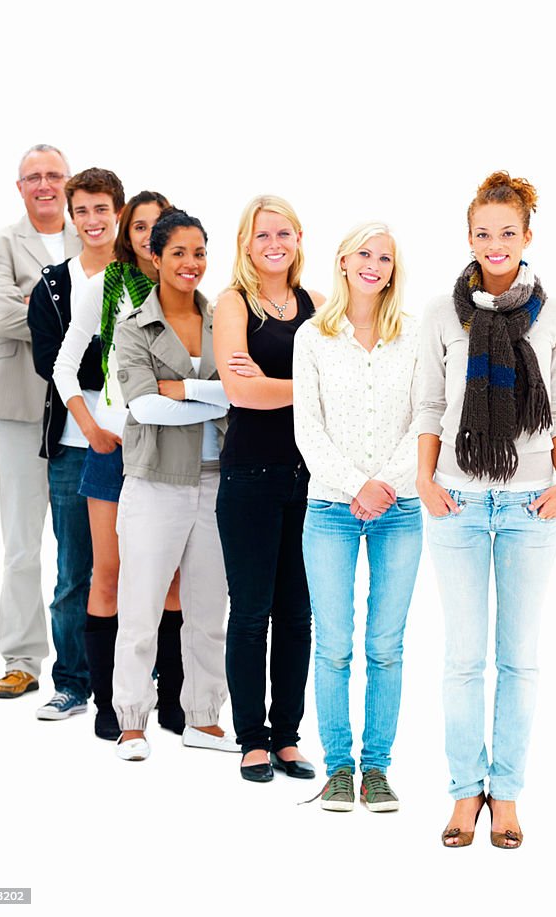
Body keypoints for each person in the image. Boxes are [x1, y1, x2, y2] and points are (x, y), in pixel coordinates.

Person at [416, 172, 556, 847]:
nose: (495, 243)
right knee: (461, 658)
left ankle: (505, 793)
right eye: (483, 233)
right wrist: (423, 478)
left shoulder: (555, 313)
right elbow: (428, 404)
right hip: (454, 497)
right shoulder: (440, 312)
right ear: (470, 237)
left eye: (507, 232)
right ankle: (462, 792)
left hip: (529, 503)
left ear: (527, 236)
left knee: (518, 658)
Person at [294, 222, 421, 811]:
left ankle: (378, 769)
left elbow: (428, 420)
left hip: (400, 510)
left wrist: (385, 487)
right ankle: (339, 768)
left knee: (387, 646)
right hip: (330, 508)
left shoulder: (414, 337)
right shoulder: (312, 338)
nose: (374, 264)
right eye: (364, 254)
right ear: (343, 262)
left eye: (385, 258)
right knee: (334, 646)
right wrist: (356, 487)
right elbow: (307, 428)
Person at [52, 190, 184, 740]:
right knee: (107, 576)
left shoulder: (190, 292)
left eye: (161, 228)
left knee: (172, 580)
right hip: (114, 451)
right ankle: (107, 702)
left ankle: (172, 702)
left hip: (175, 451)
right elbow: (64, 366)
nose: (151, 238)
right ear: (129, 236)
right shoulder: (107, 289)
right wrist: (90, 429)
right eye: (141, 228)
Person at [111, 209, 237, 761]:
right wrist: (211, 395)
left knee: (210, 612)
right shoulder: (131, 326)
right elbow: (144, 407)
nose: (191, 264)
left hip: (217, 483)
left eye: (200, 252)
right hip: (154, 484)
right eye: (179, 253)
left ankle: (203, 719)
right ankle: (132, 723)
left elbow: (239, 396)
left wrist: (181, 389)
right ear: (155, 258)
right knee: (139, 611)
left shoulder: (228, 320)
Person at [213, 196, 322, 782]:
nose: (273, 243)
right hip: (250, 477)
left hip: (308, 480)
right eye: (262, 235)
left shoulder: (317, 305)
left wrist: (278, 383)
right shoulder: (234, 304)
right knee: (251, 613)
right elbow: (239, 392)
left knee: (298, 615)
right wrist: (306, 386)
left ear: (299, 237)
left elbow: (342, 384)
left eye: (283, 232)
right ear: (247, 245)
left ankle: (287, 737)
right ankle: (251, 739)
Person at [0, 144, 78, 699]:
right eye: (33, 176)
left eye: (53, 175)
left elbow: (118, 314)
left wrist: (40, 301)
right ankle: (22, 659)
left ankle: (88, 661)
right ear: (19, 187)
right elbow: (2, 316)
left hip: (83, 407)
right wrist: (73, 314)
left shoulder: (94, 238)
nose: (44, 184)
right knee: (21, 541)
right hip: (16, 402)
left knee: (86, 540)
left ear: (70, 182)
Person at [27, 167, 125, 722]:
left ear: (118, 212)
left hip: (135, 442)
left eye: (101, 210)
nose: (92, 221)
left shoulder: (140, 276)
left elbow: (155, 355)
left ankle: (138, 674)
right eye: (81, 211)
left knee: (141, 564)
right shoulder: (54, 284)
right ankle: (72, 681)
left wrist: (100, 355)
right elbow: (49, 361)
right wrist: (109, 358)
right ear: (71, 215)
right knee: (74, 568)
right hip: (72, 443)